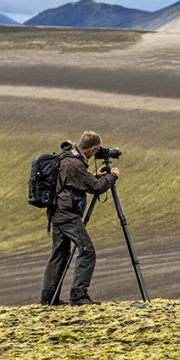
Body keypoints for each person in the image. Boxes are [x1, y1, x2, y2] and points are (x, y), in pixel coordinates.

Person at [40, 130, 119, 306]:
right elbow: (97, 188)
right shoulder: (76, 163)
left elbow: (74, 180)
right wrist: (112, 176)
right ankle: (78, 296)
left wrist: (94, 175)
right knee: (87, 250)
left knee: (60, 253)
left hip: (56, 212)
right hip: (67, 214)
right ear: (93, 149)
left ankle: (48, 299)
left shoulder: (66, 158)